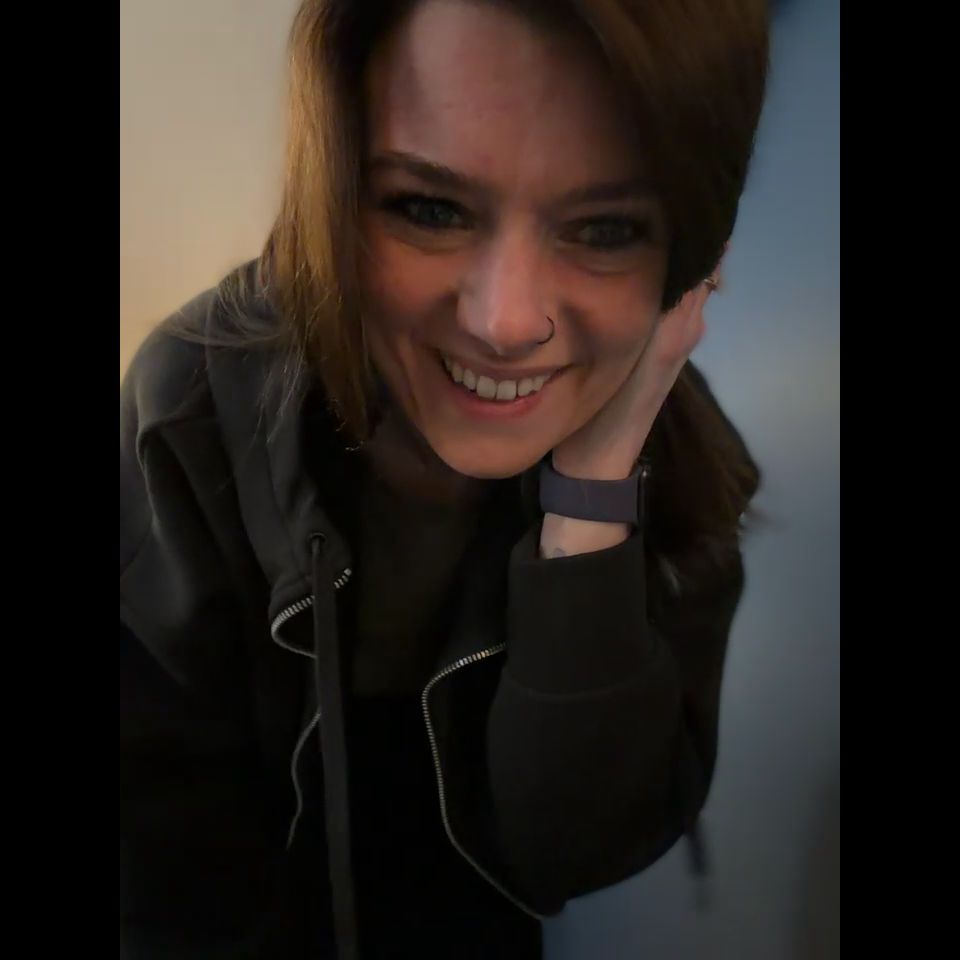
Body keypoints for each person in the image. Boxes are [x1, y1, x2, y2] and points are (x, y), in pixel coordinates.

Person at [120, 1, 769, 957]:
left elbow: (572, 850)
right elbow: (161, 882)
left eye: (605, 229)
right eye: (430, 209)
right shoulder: (192, 404)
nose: (505, 323)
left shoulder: (679, 458)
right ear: (337, 191)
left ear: (690, 261)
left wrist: (592, 496)